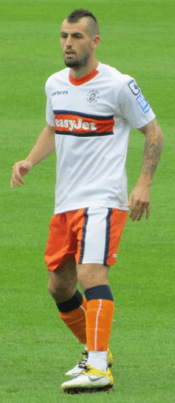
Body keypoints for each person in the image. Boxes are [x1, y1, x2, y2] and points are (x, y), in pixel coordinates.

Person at [11, 9, 164, 392]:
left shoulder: (119, 85)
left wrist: (144, 182)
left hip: (103, 197)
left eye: (77, 37)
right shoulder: (55, 84)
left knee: (91, 274)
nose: (67, 43)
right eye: (64, 36)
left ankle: (98, 369)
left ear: (94, 41)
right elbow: (55, 125)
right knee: (59, 287)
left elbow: (154, 134)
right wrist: (30, 160)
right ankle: (96, 353)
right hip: (67, 201)